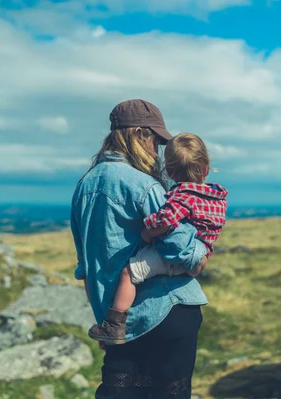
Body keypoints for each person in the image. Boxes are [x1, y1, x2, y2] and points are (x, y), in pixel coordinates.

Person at [71, 99, 209, 398]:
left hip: (118, 320)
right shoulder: (145, 185)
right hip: (166, 309)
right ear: (138, 134)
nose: (156, 151)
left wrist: (106, 321)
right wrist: (200, 256)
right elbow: (183, 252)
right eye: (155, 141)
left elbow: (87, 266)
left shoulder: (83, 186)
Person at [88, 133, 228, 344]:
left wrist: (148, 231)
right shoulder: (217, 197)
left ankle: (114, 325)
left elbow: (167, 221)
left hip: (183, 256)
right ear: (206, 168)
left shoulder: (183, 195)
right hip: (202, 251)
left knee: (129, 273)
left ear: (169, 171)